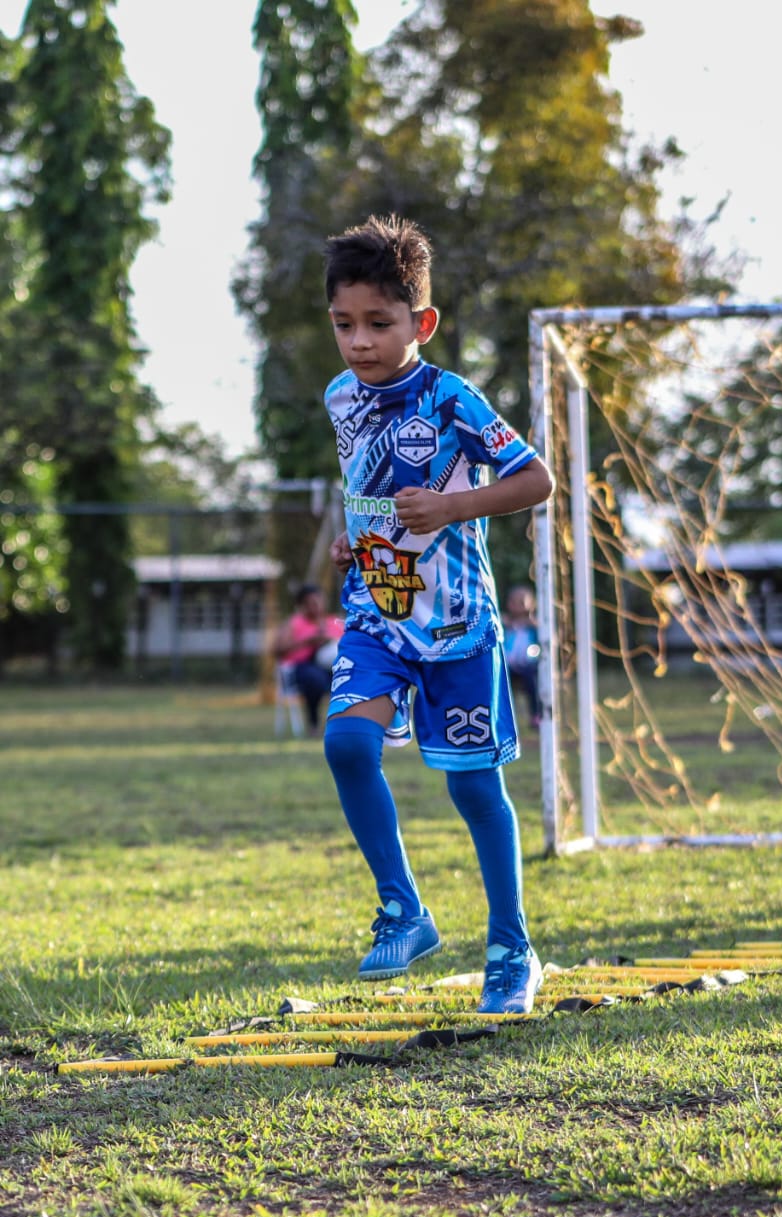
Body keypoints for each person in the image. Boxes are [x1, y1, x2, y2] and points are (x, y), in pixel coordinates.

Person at [320, 213, 554, 1016]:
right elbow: (362, 484)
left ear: (420, 323)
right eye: (344, 324)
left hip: (457, 628)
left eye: (378, 324)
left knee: (473, 790)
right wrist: (358, 542)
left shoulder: (453, 398)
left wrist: (454, 508)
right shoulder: (339, 398)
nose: (359, 342)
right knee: (347, 744)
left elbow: (535, 482)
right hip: (377, 617)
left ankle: (511, 949)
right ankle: (404, 910)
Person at [275, 584, 344, 734]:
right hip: (300, 668)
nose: (316, 606)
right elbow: (278, 650)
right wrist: (308, 641)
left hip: (329, 667)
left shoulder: (333, 622)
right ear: (302, 605)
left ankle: (345, 724)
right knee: (315, 680)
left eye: (319, 601)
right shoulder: (294, 624)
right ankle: (313, 724)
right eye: (311, 603)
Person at [503, 584, 542, 729]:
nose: (517, 606)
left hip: (527, 665)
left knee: (531, 682)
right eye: (514, 602)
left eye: (521, 602)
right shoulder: (505, 623)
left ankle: (535, 714)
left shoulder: (533, 625)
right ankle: (506, 717)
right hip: (509, 666)